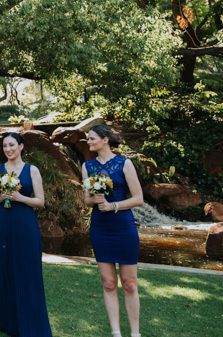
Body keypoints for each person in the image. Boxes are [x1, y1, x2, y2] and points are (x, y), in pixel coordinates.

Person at [0, 132, 52, 337]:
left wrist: (20, 197)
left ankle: (31, 322)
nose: (8, 149)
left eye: (12, 145)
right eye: (5, 146)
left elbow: (40, 201)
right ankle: (6, 321)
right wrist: (1, 197)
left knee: (27, 270)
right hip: (3, 223)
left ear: (21, 146)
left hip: (25, 224)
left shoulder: (33, 170)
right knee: (4, 269)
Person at [82, 124, 144, 337]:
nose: (88, 142)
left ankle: (135, 333)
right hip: (100, 227)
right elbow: (86, 200)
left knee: (129, 283)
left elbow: (138, 198)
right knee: (108, 283)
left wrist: (113, 206)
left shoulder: (124, 164)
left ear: (105, 139)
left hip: (123, 226)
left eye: (91, 138)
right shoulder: (87, 166)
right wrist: (95, 199)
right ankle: (116, 332)